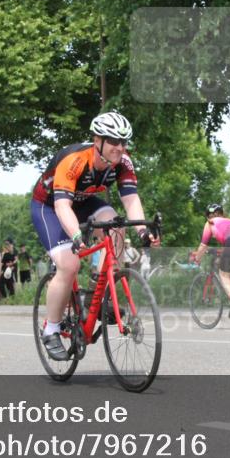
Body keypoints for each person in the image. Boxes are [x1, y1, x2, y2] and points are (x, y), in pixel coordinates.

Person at [30, 111, 159, 361]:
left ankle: (97, 295)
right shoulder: (75, 160)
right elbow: (62, 206)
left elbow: (131, 199)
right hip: (49, 206)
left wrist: (143, 231)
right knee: (69, 264)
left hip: (84, 202)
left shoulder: (123, 162)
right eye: (113, 141)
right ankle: (51, 328)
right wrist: (77, 236)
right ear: (97, 139)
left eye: (123, 142)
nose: (119, 147)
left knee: (117, 228)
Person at [190, 204, 230, 317]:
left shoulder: (210, 223)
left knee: (223, 274)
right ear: (222, 214)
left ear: (208, 216)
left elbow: (203, 245)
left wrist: (197, 259)